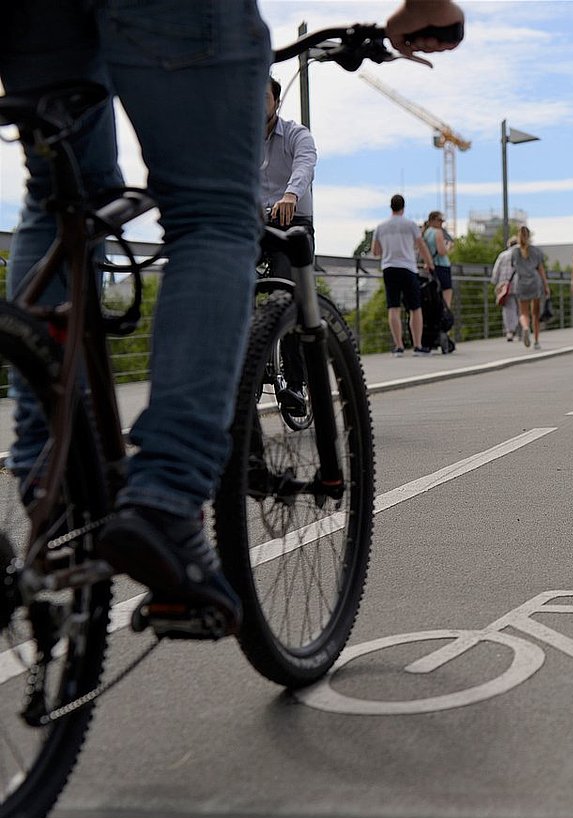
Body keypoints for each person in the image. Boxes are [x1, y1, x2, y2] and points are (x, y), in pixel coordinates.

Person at [0, 0, 462, 631]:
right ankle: (165, 496)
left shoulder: (296, 138)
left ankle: (46, 474)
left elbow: (303, 166)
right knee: (213, 213)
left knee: (57, 200)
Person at [260, 76, 317, 283]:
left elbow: (305, 165)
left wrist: (290, 195)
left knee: (285, 285)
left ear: (277, 102)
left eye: (264, 97)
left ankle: (286, 310)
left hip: (293, 221)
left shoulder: (297, 134)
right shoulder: (242, 142)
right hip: (257, 221)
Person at [372, 193, 436, 355]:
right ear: (403, 207)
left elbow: (375, 251)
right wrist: (429, 264)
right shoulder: (410, 225)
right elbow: (421, 245)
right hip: (408, 267)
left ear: (391, 207)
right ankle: (417, 345)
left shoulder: (381, 227)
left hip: (389, 267)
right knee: (415, 307)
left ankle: (398, 346)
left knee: (393, 307)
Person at [509, 225, 549, 349]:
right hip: (534, 282)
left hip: (521, 283)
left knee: (523, 313)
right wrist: (546, 285)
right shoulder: (536, 251)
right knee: (535, 314)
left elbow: (512, 267)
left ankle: (525, 328)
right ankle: (536, 341)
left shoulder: (514, 251)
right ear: (529, 236)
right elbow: (541, 269)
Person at [422, 210, 454, 309]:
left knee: (434, 294)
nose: (441, 223)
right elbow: (442, 251)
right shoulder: (438, 232)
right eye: (440, 220)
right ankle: (445, 318)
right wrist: (448, 246)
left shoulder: (426, 233)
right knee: (446, 295)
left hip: (431, 266)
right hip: (442, 266)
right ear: (433, 220)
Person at [492, 234, 521, 342]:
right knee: (521, 308)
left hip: (505, 285)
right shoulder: (521, 254)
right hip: (520, 284)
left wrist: (496, 283)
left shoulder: (503, 255)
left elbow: (496, 270)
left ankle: (510, 331)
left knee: (508, 309)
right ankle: (521, 329)